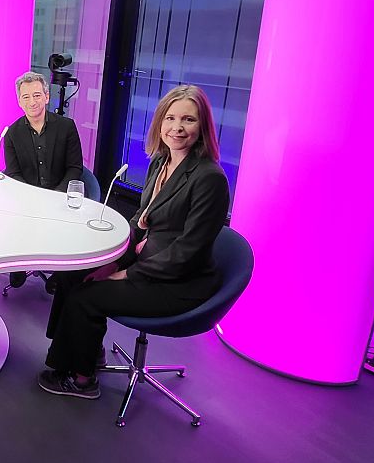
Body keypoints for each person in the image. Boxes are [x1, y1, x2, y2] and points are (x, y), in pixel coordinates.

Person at [36, 84, 230, 400]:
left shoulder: (209, 178)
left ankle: (83, 381)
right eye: (170, 118)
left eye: (188, 120)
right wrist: (114, 260)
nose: (177, 128)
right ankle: (81, 354)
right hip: (149, 261)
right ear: (160, 122)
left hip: (178, 282)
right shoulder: (160, 162)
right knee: (75, 274)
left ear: (203, 126)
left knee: (89, 296)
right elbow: (141, 220)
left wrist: (126, 273)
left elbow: (186, 253)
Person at [3, 71, 84, 289]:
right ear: (19, 101)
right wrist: (33, 199)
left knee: (63, 225)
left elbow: (75, 168)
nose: (32, 102)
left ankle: (60, 272)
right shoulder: (11, 133)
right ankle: (18, 264)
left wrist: (54, 197)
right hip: (27, 199)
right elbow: (13, 173)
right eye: (26, 97)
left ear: (47, 97)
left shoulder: (67, 127)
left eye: (37, 95)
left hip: (60, 196)